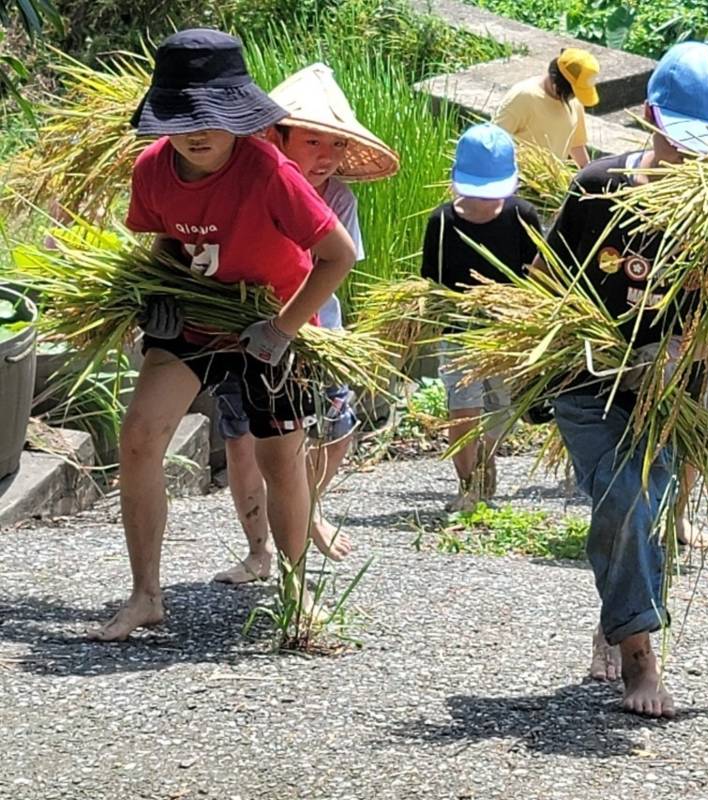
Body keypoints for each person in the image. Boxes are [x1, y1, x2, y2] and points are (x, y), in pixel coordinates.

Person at [89, 29, 357, 641]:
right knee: (138, 436)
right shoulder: (151, 170)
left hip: (270, 321)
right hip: (193, 317)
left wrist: (281, 329)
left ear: (239, 115)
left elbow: (336, 257)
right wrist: (157, 291)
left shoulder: (267, 172)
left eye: (213, 116)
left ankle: (295, 590)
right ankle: (144, 595)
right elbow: (165, 240)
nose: (197, 130)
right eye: (183, 116)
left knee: (279, 458)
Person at [544, 41, 708, 717]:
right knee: (626, 496)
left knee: (639, 510)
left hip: (672, 395)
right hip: (588, 383)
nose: (693, 161)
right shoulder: (596, 191)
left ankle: (619, 616)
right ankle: (641, 658)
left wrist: (695, 343)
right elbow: (549, 289)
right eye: (680, 143)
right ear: (648, 119)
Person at [211, 62, 398, 584]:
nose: (327, 157)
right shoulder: (244, 187)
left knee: (338, 429)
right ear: (275, 135)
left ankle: (305, 505)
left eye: (336, 145)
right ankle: (257, 551)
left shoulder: (339, 198)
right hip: (243, 332)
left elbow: (331, 268)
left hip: (317, 336)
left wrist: (292, 329)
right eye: (313, 141)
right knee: (242, 436)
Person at [421, 123, 542, 512]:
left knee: (503, 408)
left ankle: (486, 458)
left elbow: (538, 274)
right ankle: (467, 485)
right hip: (458, 332)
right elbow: (432, 282)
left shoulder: (523, 215)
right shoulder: (441, 222)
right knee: (463, 405)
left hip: (509, 332)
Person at [494, 48, 599, 169]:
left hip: (552, 179)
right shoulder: (523, 97)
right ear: (556, 86)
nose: (573, 98)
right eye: (572, 94)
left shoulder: (573, 100)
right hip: (520, 179)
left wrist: (588, 172)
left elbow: (575, 143)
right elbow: (495, 140)